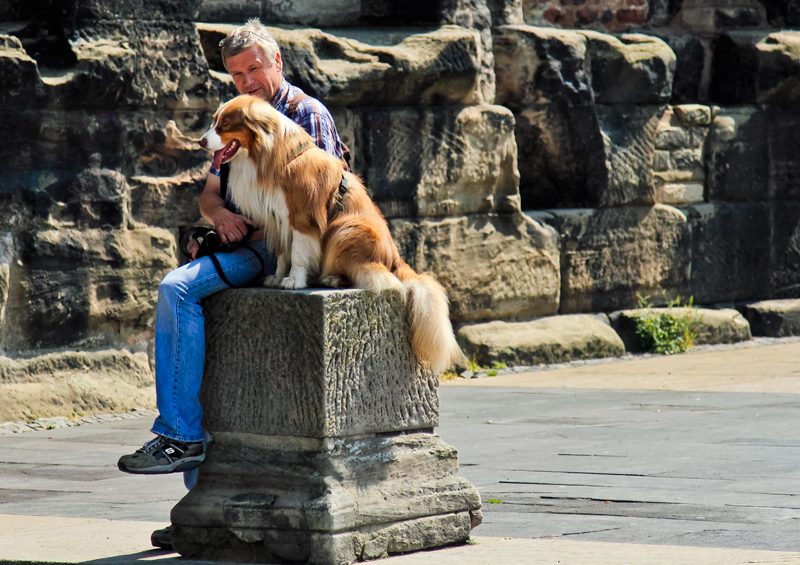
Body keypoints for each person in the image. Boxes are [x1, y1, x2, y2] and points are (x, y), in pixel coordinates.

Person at [115, 18, 346, 548]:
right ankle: (202, 513)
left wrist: (258, 230)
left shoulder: (305, 113)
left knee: (178, 288)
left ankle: (177, 437)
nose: (247, 80)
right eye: (237, 72)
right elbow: (209, 194)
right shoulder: (233, 115)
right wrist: (219, 218)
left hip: (280, 248)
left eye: (255, 68)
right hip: (238, 239)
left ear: (277, 63)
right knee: (200, 341)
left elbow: (327, 197)